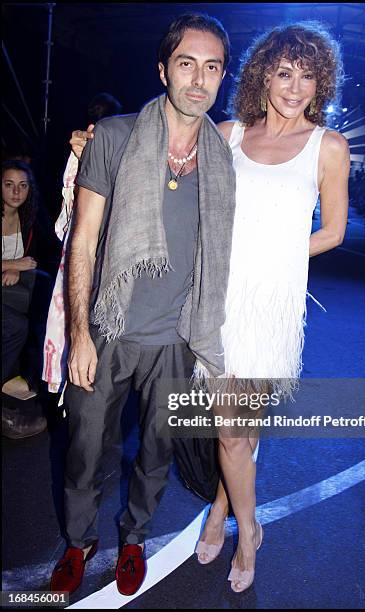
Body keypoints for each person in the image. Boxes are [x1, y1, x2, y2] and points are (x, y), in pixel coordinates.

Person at [50, 13, 235, 597]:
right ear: (163, 70)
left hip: (177, 339)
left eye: (212, 67)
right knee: (84, 451)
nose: (199, 79)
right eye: (187, 64)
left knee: (155, 453)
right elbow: (83, 240)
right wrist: (80, 332)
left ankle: (134, 540)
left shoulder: (223, 157)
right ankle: (79, 543)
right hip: (109, 327)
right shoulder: (115, 137)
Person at [193, 21, 349, 592]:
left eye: (307, 76)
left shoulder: (327, 147)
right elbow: (172, 170)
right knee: (234, 430)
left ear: (319, 84)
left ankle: (241, 528)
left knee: (236, 432)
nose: (294, 87)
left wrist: (278, 256)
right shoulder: (228, 134)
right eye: (284, 72)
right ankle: (229, 516)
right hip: (220, 300)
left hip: (272, 303)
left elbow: (332, 231)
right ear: (263, 74)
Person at [42, 93, 123, 394]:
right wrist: (80, 160)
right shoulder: (79, 157)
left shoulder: (126, 157)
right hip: (83, 263)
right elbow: (68, 227)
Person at [2, 159, 48, 438]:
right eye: (9, 185)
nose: (16, 192)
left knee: (42, 287)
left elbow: (41, 256)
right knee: (17, 325)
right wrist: (13, 264)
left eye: (22, 186)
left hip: (14, 285)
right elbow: (23, 262)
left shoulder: (29, 217)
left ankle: (34, 372)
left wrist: (15, 268)